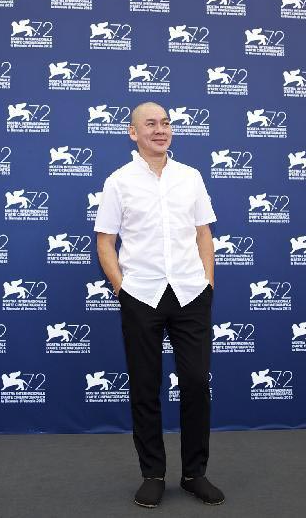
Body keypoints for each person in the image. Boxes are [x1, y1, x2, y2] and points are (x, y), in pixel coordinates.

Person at [93, 102, 224, 508]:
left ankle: (194, 473)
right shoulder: (119, 181)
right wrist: (122, 289)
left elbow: (204, 235)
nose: (160, 129)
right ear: (133, 133)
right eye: (150, 123)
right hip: (141, 295)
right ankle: (152, 473)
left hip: (190, 294)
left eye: (166, 123)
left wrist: (208, 284)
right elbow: (105, 242)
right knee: (145, 387)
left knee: (197, 385)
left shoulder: (191, 177)